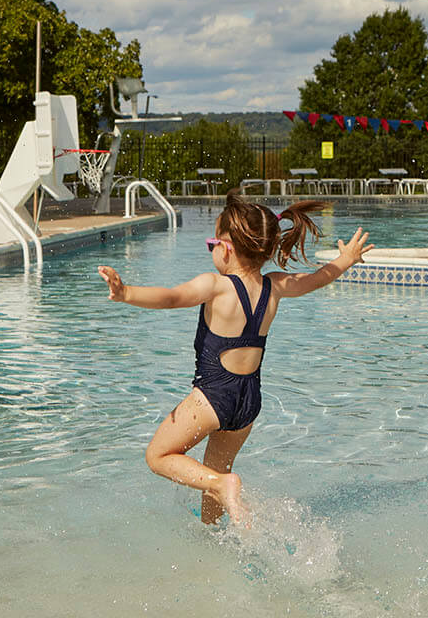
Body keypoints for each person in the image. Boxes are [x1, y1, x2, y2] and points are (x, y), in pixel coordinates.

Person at [98, 193, 373, 526]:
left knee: (158, 456)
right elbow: (317, 279)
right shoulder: (276, 286)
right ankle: (212, 532)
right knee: (214, 472)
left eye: (211, 242)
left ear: (226, 247)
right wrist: (345, 260)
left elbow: (172, 298)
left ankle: (222, 486)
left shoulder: (216, 286)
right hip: (248, 401)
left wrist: (126, 292)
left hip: (213, 396)